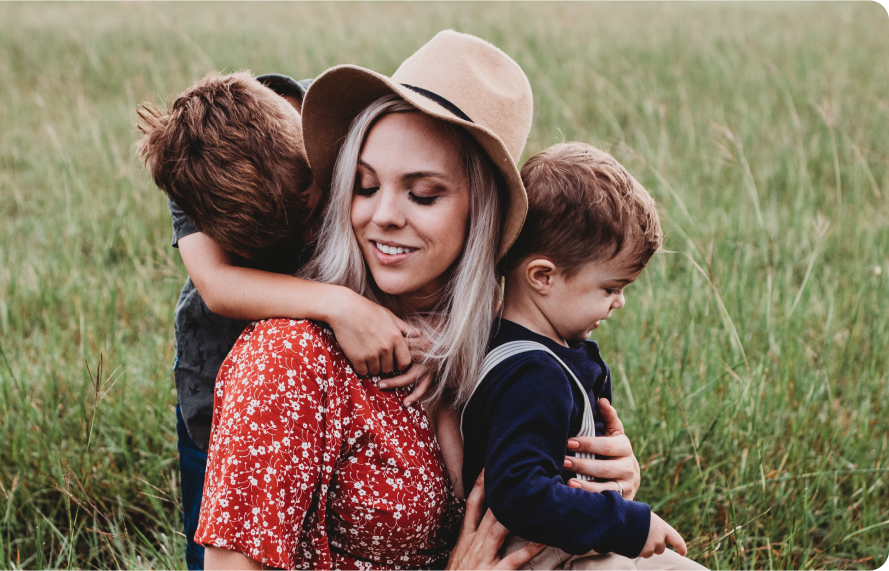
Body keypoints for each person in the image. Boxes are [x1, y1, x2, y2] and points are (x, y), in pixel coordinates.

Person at [194, 30, 551, 570]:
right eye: (363, 186)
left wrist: (611, 479)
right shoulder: (288, 358)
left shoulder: (500, 350)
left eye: (422, 194)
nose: (382, 215)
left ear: (483, 213)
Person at [136, 71, 426, 571]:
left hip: (334, 371)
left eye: (312, 212)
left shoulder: (333, 119)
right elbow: (217, 283)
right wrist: (339, 305)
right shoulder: (194, 161)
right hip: (219, 365)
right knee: (218, 529)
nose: (313, 233)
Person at [461, 143, 708, 570]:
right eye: (610, 289)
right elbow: (518, 490)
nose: (619, 303)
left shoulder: (543, 351)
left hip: (576, 535)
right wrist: (625, 524)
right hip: (541, 553)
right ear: (543, 277)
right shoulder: (532, 375)